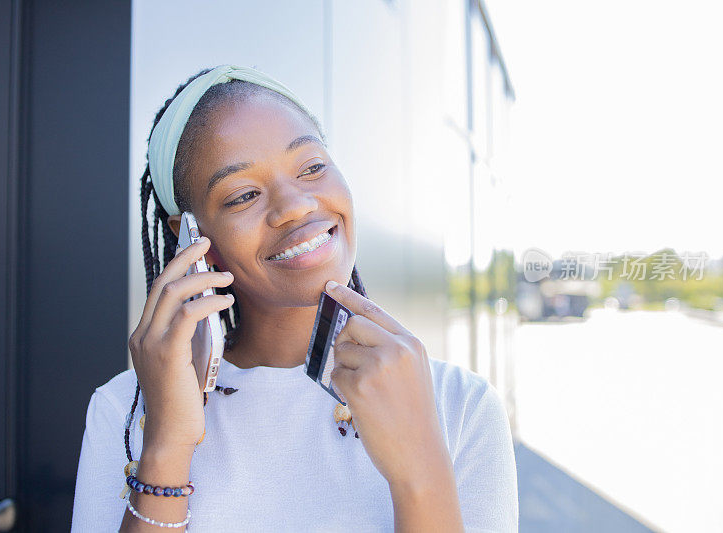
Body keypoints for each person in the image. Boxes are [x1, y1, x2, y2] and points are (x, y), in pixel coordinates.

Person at [71, 64, 518, 532]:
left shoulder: (459, 404)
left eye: (312, 167)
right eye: (243, 195)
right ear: (190, 237)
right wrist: (166, 443)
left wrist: (420, 469)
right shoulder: (125, 411)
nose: (296, 206)